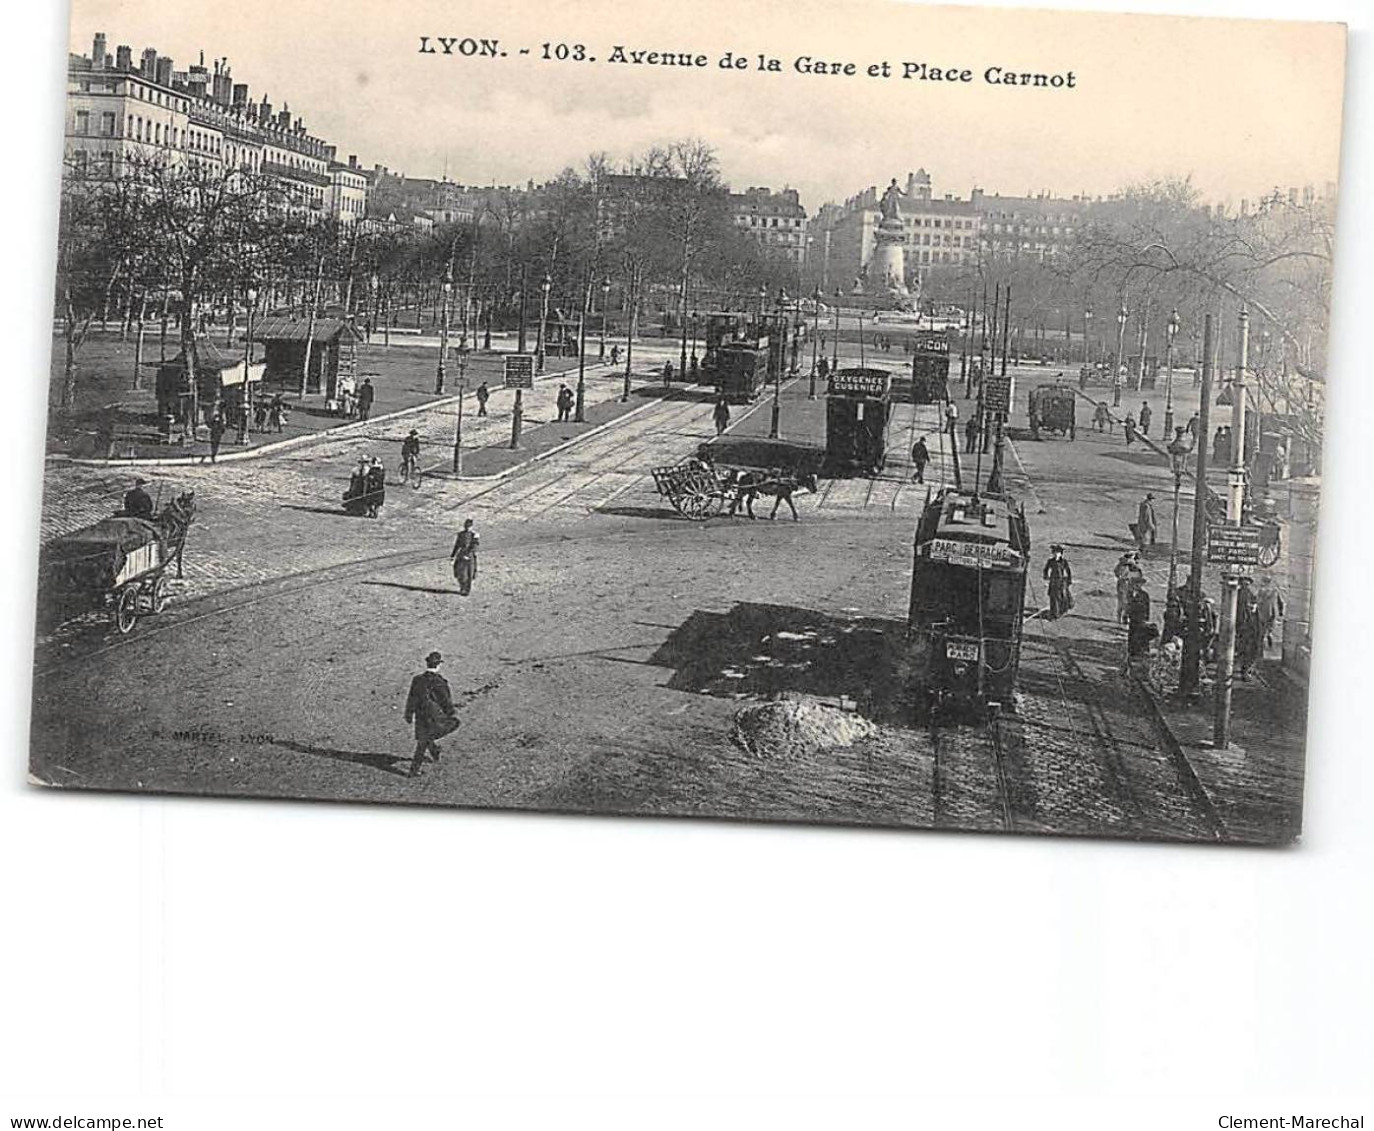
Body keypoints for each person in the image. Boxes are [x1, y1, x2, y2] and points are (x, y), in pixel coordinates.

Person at [403, 651, 458, 778]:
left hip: (420, 714)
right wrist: (450, 712)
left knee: (424, 738)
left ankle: (434, 750)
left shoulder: (417, 679)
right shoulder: (440, 681)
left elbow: (412, 698)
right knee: (424, 741)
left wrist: (409, 713)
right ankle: (413, 770)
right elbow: (445, 700)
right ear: (439, 665)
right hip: (434, 716)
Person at [1124, 576, 1156, 674]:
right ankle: (1131, 658)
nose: (1137, 586)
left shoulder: (1144, 595)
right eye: (1135, 584)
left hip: (1141, 619)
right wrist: (1126, 616)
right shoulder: (1129, 594)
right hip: (1133, 620)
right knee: (1132, 638)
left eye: (1139, 584)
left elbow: (1147, 608)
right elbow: (1127, 606)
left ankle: (1139, 659)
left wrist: (1146, 619)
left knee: (1140, 639)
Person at [1236, 578, 1263, 679]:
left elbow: (1254, 611)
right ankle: (1245, 671)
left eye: (1247, 584)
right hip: (1243, 626)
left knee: (1246, 649)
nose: (1245, 586)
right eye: (1243, 584)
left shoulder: (1249, 595)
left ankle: (1245, 670)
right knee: (1245, 649)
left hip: (1248, 627)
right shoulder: (1239, 594)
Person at [1042, 544, 1074, 619]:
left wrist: (1069, 580)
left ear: (1061, 554)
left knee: (1061, 596)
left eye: (1058, 553)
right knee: (1052, 596)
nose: (1056, 554)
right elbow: (1046, 569)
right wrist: (1046, 576)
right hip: (1053, 581)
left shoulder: (1063, 562)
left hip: (1061, 581)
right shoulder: (1050, 561)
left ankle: (1060, 611)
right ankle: (1054, 612)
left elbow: (1068, 571)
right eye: (1055, 553)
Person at [451, 518, 479, 596]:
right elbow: (457, 545)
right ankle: (462, 587)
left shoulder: (474, 535)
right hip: (461, 554)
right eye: (466, 526)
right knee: (460, 572)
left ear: (472, 527)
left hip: (470, 555)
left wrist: (468, 554)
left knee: (469, 573)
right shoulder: (460, 534)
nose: (467, 528)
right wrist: (453, 555)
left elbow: (474, 546)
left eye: (469, 526)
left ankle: (467, 590)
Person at [1114, 551, 1141, 623]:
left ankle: (1126, 616)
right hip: (1123, 584)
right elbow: (1118, 574)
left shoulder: (1134, 566)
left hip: (1131, 585)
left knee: (1130, 601)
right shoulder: (1122, 565)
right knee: (1122, 601)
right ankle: (1120, 617)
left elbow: (1138, 575)